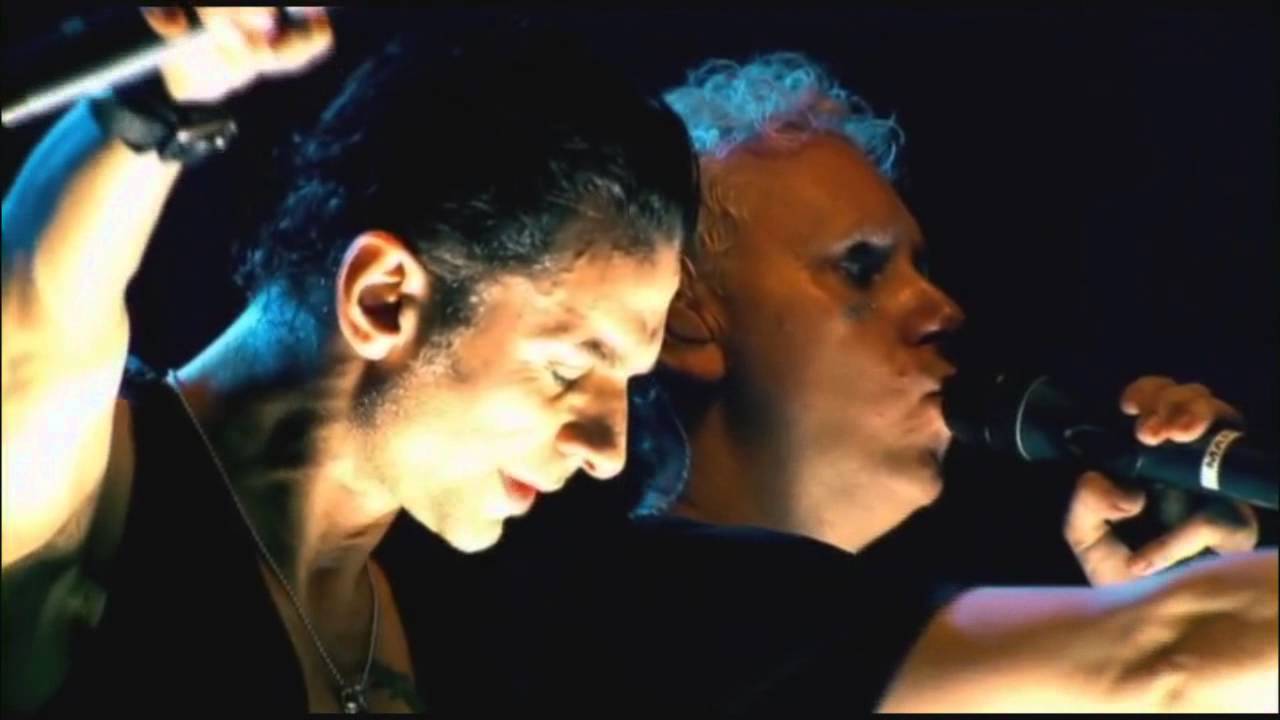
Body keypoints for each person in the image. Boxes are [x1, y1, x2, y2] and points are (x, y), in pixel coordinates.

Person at [0, 8, 697, 713]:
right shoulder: (87, 509)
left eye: (628, 384)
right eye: (567, 370)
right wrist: (164, 95)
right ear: (383, 299)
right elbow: (38, 319)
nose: (608, 452)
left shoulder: (468, 626)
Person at [636, 51, 1274, 710]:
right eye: (861, 268)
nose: (942, 310)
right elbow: (1166, 664)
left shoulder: (851, 647)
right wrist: (1183, 624)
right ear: (686, 321)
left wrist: (1197, 581)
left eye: (920, 268)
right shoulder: (643, 600)